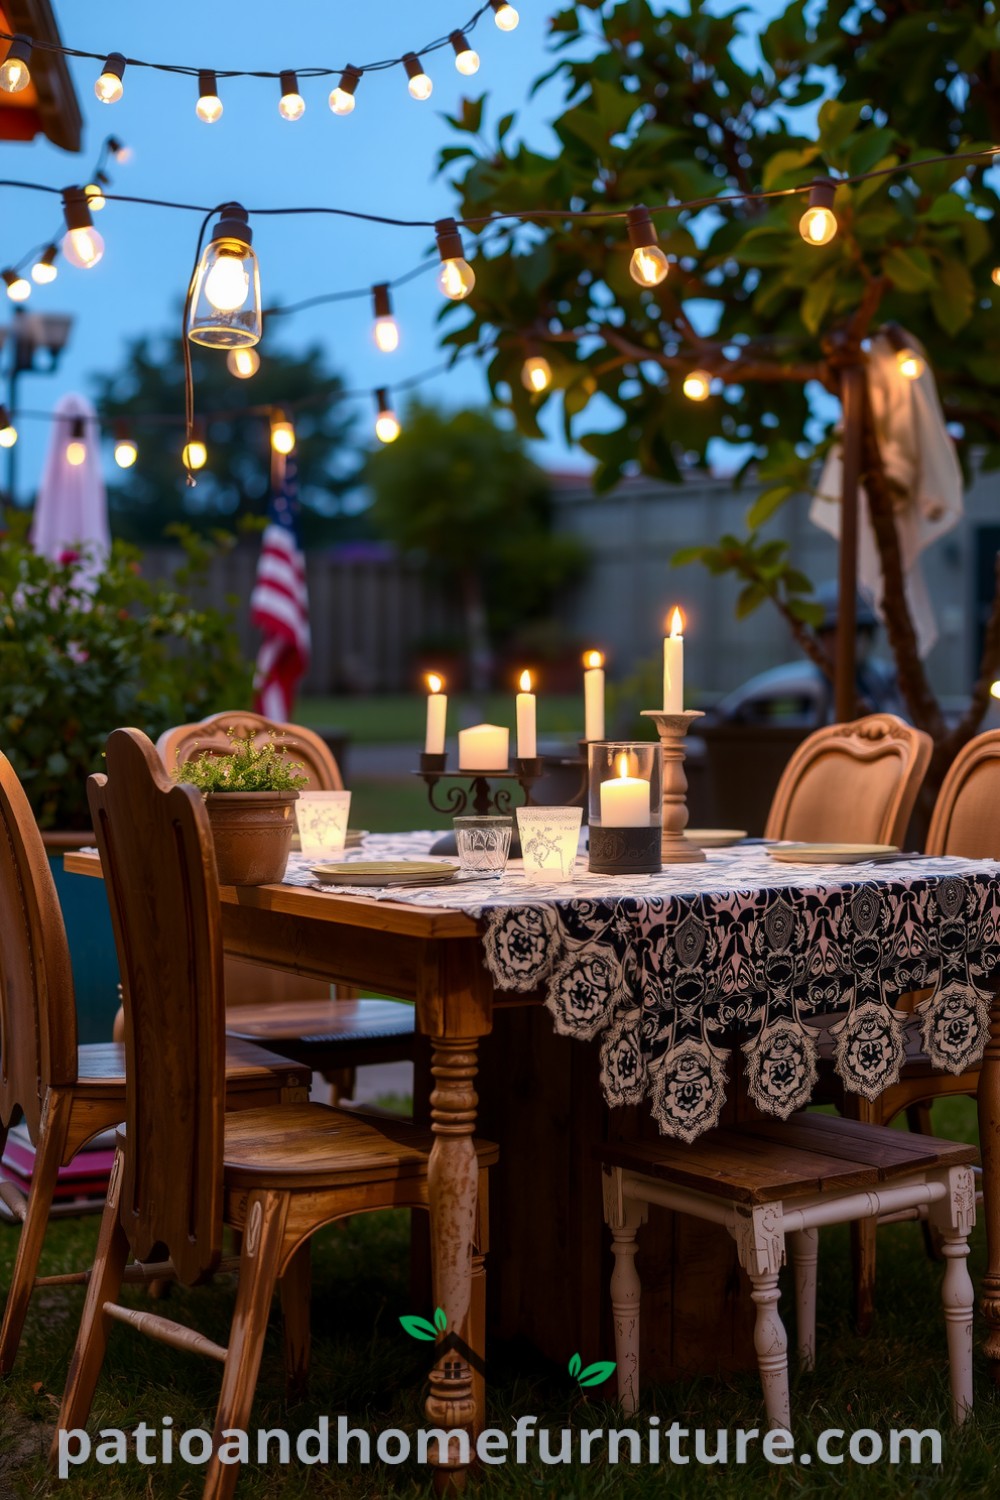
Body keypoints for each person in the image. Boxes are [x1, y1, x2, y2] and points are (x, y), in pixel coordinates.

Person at [812, 582, 905, 722]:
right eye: (830, 633)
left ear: (869, 635)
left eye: (853, 632)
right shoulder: (807, 685)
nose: (840, 643)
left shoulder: (886, 679)